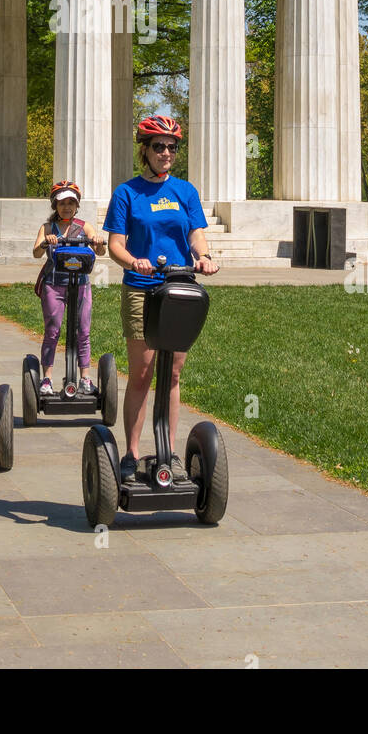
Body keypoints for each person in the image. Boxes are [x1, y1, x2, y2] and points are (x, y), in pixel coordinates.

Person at [104, 115, 219, 486]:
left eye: (172, 147)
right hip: (141, 287)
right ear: (145, 150)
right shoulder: (127, 193)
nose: (166, 153)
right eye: (159, 146)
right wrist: (133, 260)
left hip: (179, 286)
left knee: (172, 374)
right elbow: (115, 246)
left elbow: (196, 234)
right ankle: (132, 453)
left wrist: (203, 256)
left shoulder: (186, 191)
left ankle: (168, 454)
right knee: (142, 372)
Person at [31, 181, 107, 396]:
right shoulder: (48, 228)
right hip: (54, 285)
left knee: (83, 332)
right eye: (62, 203)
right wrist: (46, 242)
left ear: (77, 205)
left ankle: (84, 378)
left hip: (80, 285)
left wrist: (98, 241)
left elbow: (99, 252)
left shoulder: (84, 226)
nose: (67, 207)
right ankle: (46, 379)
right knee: (52, 330)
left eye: (71, 203)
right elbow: (36, 253)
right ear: (55, 205)